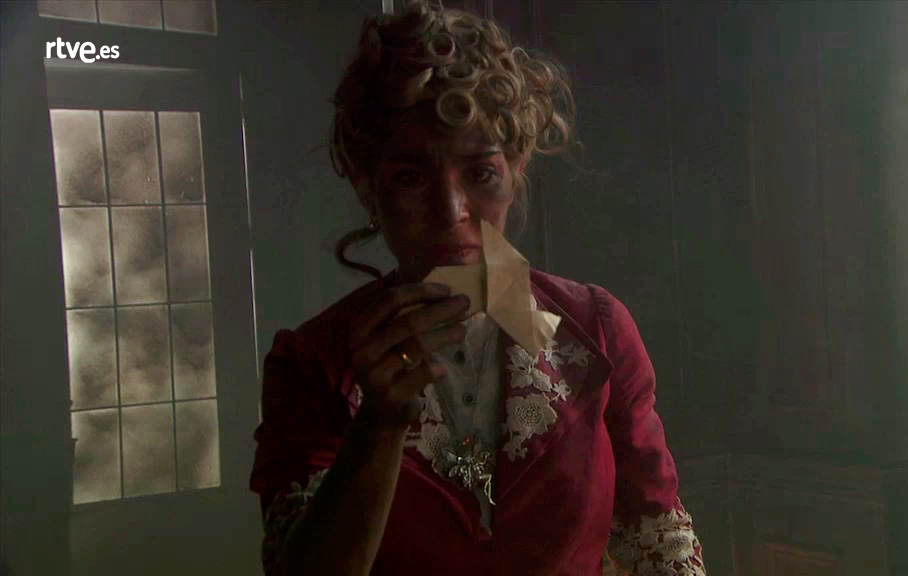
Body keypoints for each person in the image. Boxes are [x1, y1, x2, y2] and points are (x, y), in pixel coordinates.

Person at [249, 2, 705, 575]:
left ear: (516, 168)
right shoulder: (311, 362)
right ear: (367, 186)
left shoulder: (598, 327)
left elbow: (660, 539)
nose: (451, 211)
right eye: (411, 176)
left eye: (480, 173)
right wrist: (379, 424)